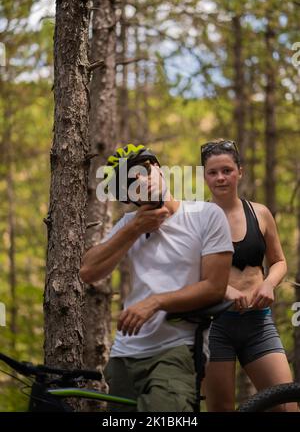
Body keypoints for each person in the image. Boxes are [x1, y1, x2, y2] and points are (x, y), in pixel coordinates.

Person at [80, 144, 234, 412]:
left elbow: (215, 287)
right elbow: (88, 272)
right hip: (123, 355)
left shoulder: (205, 215)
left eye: (144, 170)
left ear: (159, 170)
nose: (141, 180)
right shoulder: (129, 225)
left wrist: (155, 302)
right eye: (130, 181)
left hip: (176, 349)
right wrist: (135, 229)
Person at [200, 139, 296, 412]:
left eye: (227, 170)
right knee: (222, 409)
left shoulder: (260, 213)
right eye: (213, 172)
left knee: (286, 405)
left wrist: (268, 283)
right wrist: (224, 290)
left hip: (258, 325)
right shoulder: (196, 218)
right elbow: (189, 271)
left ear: (240, 171)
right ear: (204, 176)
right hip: (214, 327)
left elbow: (279, 261)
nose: (221, 177)